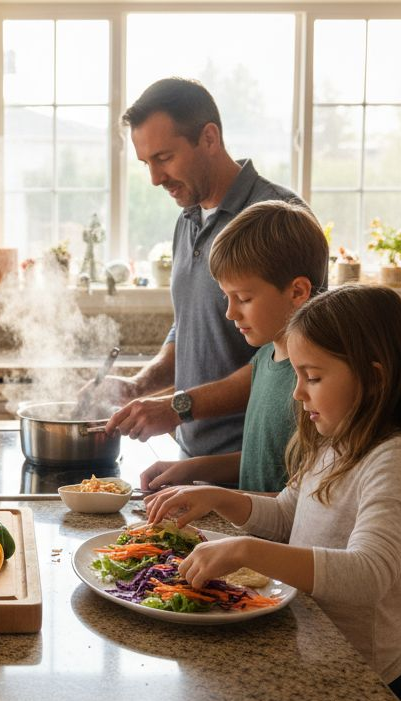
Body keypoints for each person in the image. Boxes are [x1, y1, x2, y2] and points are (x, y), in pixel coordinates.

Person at [144, 285, 401, 701]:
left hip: (372, 686)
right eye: (298, 376)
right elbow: (286, 513)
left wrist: (246, 551)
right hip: (318, 659)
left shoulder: (394, 458)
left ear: (375, 378)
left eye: (314, 377)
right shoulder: (334, 441)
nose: (298, 394)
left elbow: (370, 573)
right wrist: (214, 496)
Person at [93, 77, 306, 457]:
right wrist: (139, 385)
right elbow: (191, 325)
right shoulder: (188, 220)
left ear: (209, 138)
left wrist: (177, 408)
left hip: (257, 465)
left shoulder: (278, 219)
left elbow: (295, 355)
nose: (155, 179)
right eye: (146, 163)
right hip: (193, 459)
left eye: (164, 158)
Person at [139, 200, 328, 494]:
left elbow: (303, 496)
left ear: (297, 291)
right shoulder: (266, 357)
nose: (230, 313)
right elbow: (262, 462)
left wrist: (217, 496)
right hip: (254, 532)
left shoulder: (314, 381)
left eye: (243, 298)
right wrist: (189, 469)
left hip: (279, 540)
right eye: (227, 297)